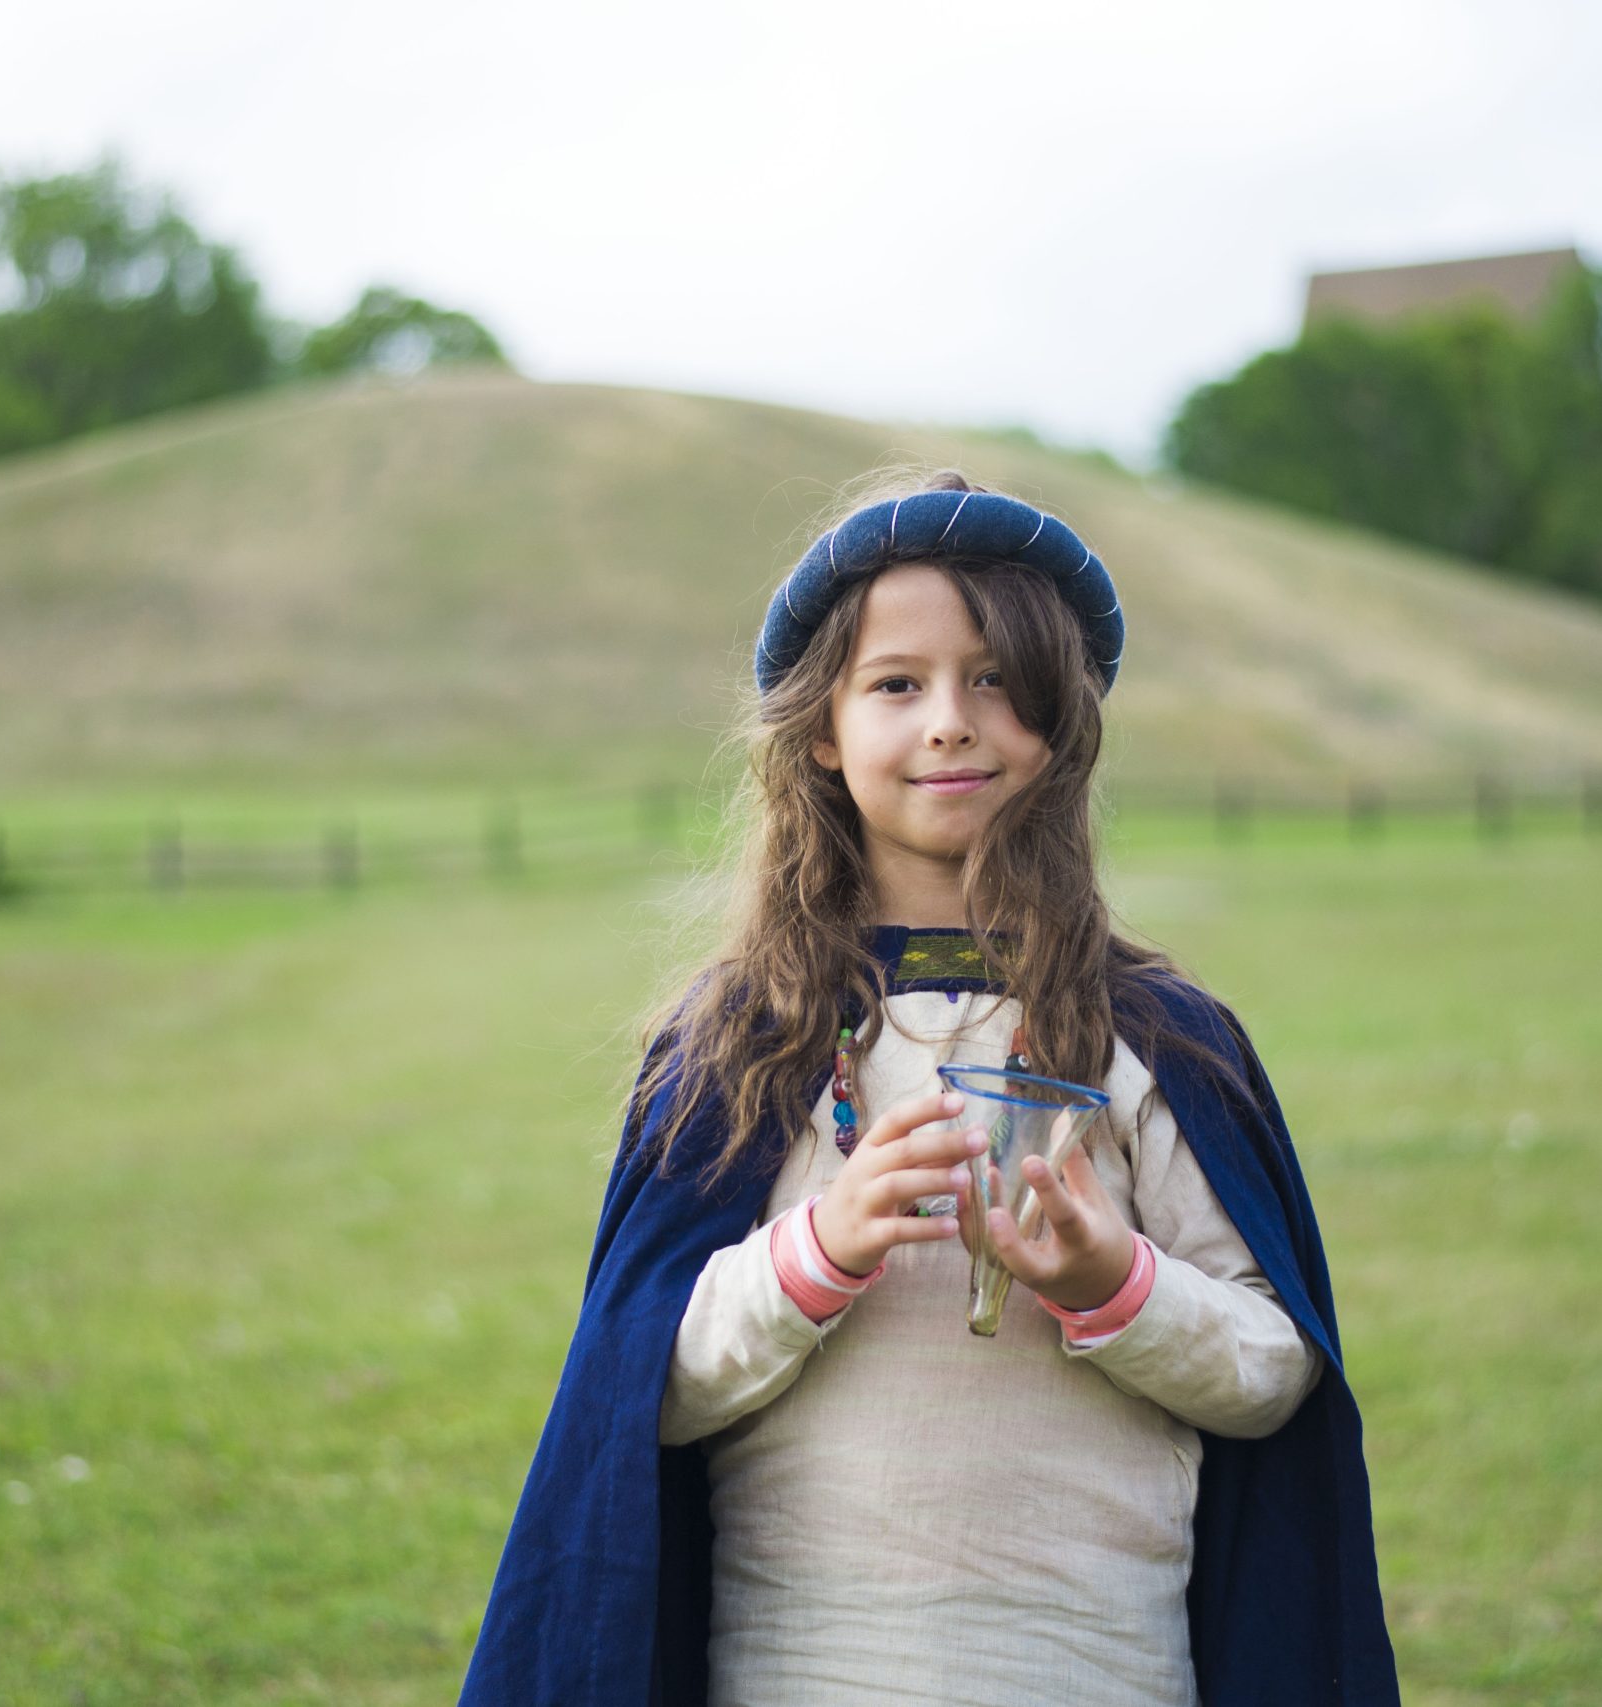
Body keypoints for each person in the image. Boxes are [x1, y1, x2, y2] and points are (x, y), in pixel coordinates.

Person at [459, 468, 1399, 1706]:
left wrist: (1112, 1282)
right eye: (896, 684)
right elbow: (645, 1392)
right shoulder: (740, 1047)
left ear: (1060, 721)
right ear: (820, 731)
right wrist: (820, 1248)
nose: (949, 720)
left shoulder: (1157, 1043)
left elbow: (1272, 1369)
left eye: (996, 679)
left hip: (1097, 1667)